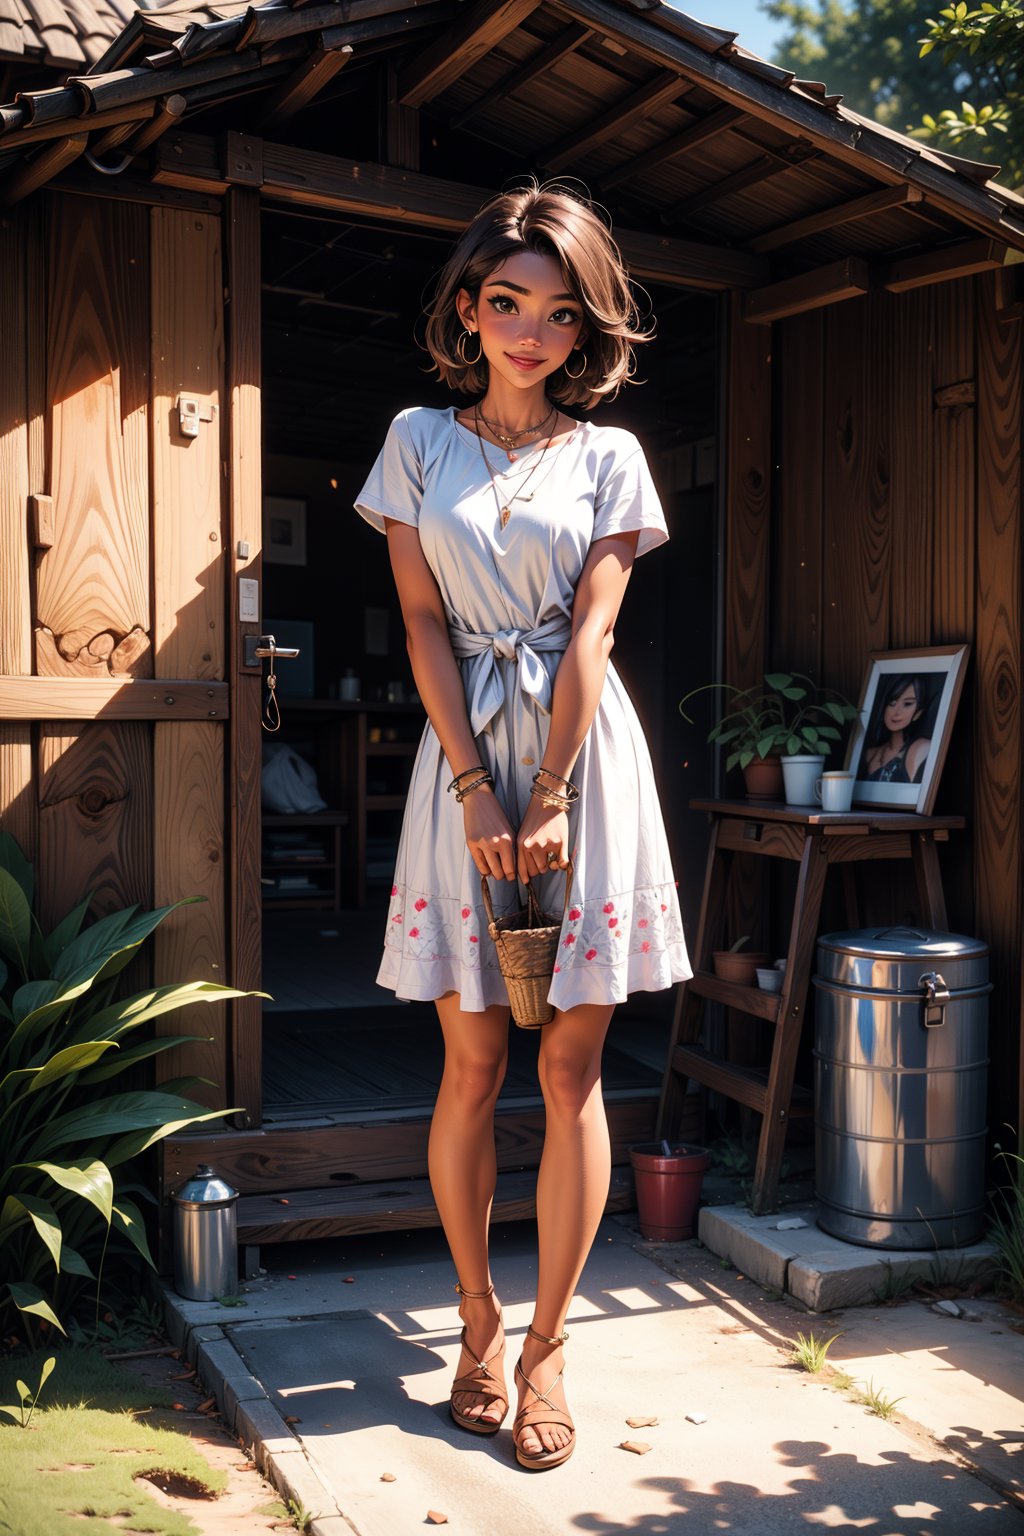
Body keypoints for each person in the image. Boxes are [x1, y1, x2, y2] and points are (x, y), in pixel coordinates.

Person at [354, 181, 691, 1472]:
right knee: (474, 1066)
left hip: (582, 766)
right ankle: (478, 1328)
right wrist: (475, 786)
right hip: (461, 771)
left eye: (559, 311)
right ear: (469, 309)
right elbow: (423, 621)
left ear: (585, 325)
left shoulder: (610, 454)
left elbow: (595, 630)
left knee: (569, 1073)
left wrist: (547, 792)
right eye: (508, 303)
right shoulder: (414, 442)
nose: (532, 332)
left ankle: (551, 1346)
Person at [861, 674, 932, 784]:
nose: (897, 712)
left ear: (918, 712)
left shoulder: (922, 748)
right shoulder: (869, 754)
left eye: (907, 704)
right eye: (892, 703)